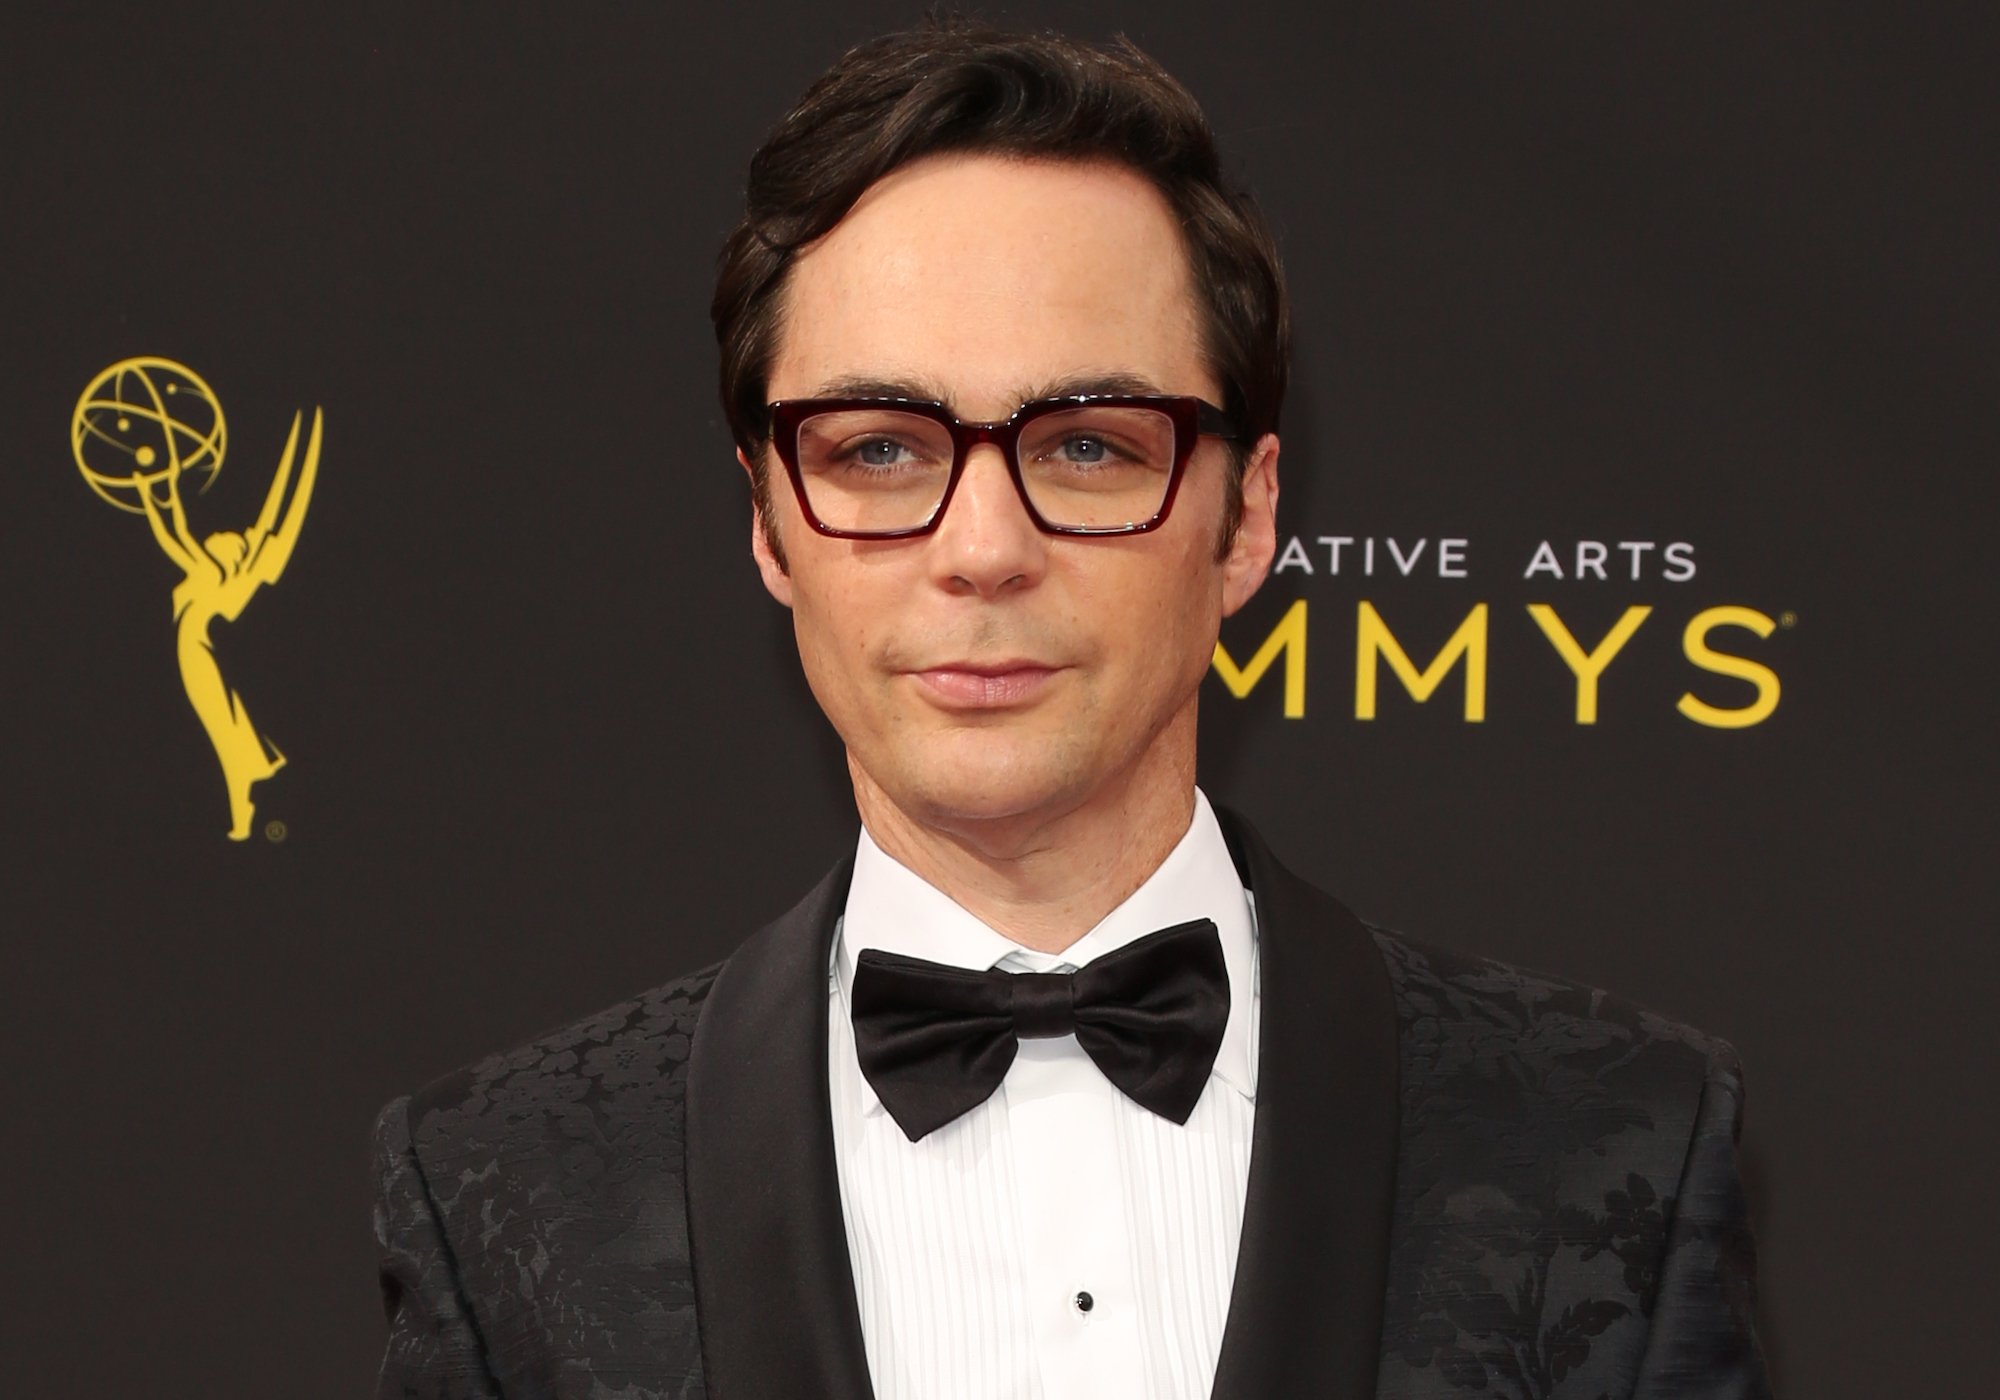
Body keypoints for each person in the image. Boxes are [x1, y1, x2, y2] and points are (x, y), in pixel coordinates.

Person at [372, 23, 1769, 1400]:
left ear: (1246, 516)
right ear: (770, 521)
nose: (982, 547)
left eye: (1089, 445)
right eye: (878, 449)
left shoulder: (1614, 1141)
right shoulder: (509, 1187)